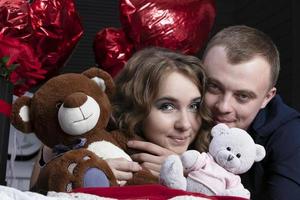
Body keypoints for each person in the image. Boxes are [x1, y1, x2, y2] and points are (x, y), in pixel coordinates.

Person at [30, 47, 212, 188]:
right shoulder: (99, 145)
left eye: (194, 106)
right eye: (167, 106)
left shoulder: (213, 158)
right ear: (134, 106)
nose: (185, 124)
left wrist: (186, 175)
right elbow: (38, 190)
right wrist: (90, 173)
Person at [201, 25, 300, 199]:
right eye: (213, 86)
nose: (223, 107)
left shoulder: (291, 137)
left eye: (243, 96)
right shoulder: (183, 103)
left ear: (266, 98)